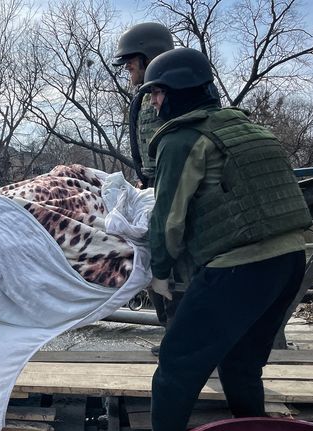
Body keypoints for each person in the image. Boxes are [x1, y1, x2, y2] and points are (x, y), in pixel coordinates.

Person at [139, 47, 311, 431]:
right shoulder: (247, 127)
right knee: (242, 362)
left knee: (176, 366)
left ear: (178, 91)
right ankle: (251, 425)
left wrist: (160, 274)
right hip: (289, 261)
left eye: (157, 93)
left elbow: (168, 217)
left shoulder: (182, 139)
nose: (152, 102)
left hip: (238, 269)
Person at [112, 22, 183, 344]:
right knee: (158, 268)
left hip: (175, 190)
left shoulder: (175, 90)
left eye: (131, 60)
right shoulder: (147, 94)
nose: (127, 67)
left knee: (175, 272)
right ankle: (175, 338)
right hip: (154, 187)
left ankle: (183, 342)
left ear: (149, 56)